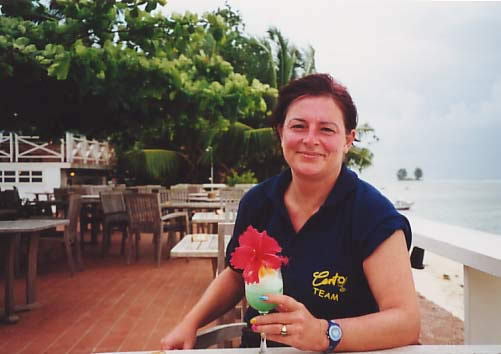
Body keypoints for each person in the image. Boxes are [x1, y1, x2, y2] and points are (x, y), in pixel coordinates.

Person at [161, 73, 420, 352]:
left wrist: (324, 333)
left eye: (326, 129)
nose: (310, 139)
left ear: (348, 140)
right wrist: (191, 322)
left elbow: (405, 321)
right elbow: (236, 276)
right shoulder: (258, 203)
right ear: (280, 133)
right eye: (298, 126)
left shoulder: (372, 214)